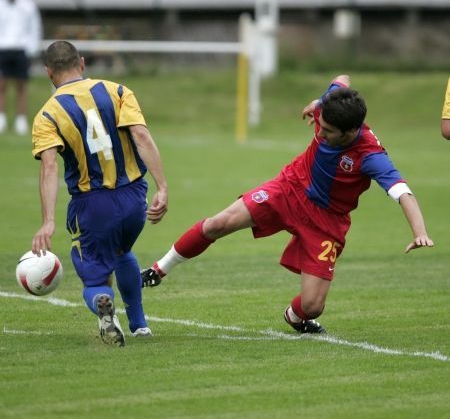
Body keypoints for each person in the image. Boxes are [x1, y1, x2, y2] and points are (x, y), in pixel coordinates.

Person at [141, 74, 433, 334]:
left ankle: (295, 317)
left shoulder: (371, 156)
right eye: (321, 124)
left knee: (313, 305)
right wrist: (319, 100)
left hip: (326, 220)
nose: (320, 132)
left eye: (328, 131)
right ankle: (158, 270)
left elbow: (402, 192)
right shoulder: (330, 108)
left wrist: (419, 231)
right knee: (220, 223)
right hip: (289, 189)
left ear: (349, 132)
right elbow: (342, 78)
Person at [31, 41, 168, 346]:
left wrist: (48, 221)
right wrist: (162, 186)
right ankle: (140, 325)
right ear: (81, 62)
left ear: (48, 72)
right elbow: (141, 135)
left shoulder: (47, 115)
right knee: (121, 252)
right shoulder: (118, 91)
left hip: (93, 204)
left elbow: (50, 167)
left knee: (95, 277)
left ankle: (104, 305)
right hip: (134, 197)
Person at [0, 0, 42, 135]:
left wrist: (31, 48)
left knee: (21, 86)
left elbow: (35, 28)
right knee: (1, 85)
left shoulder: (27, 5)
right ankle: (1, 119)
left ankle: (21, 120)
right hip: (3, 49)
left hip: (20, 50)